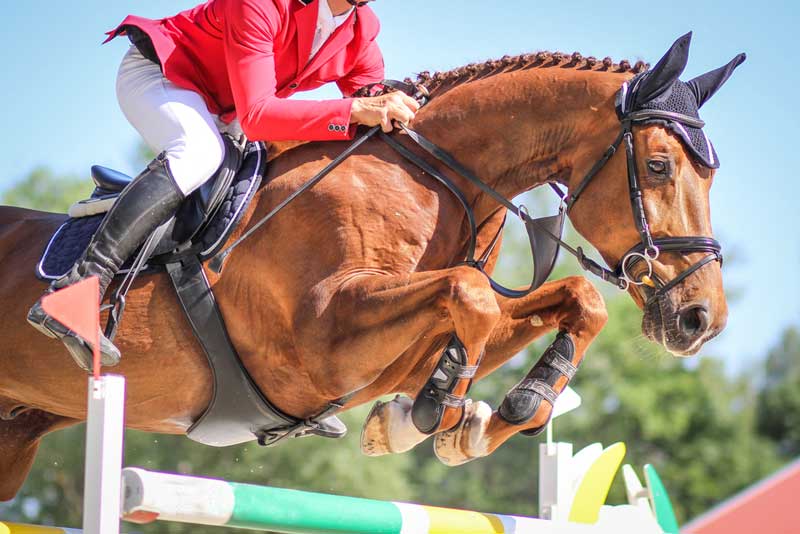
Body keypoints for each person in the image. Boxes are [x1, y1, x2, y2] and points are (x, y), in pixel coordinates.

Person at [28, 0, 420, 370]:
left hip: (224, 108)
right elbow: (260, 115)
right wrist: (354, 110)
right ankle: (77, 288)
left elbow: (372, 103)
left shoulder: (358, 30)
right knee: (198, 152)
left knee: (269, 180)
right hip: (163, 76)